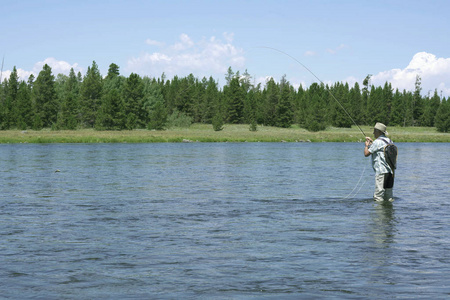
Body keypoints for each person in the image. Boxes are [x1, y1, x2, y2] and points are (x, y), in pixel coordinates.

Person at [364, 122, 394, 202]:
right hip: (390, 173)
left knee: (378, 197)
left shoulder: (377, 142)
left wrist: (367, 145)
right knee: (389, 198)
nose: (373, 133)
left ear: (379, 132)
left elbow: (366, 154)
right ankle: (389, 213)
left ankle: (379, 213)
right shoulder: (390, 141)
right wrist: (372, 142)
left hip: (381, 173)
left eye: (374, 131)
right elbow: (379, 147)